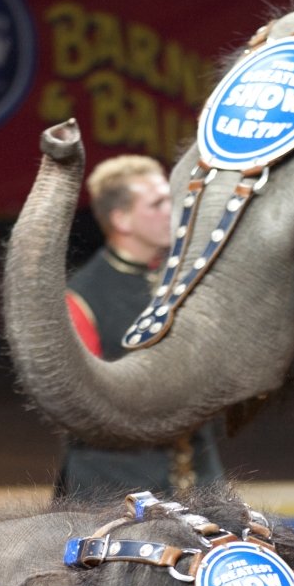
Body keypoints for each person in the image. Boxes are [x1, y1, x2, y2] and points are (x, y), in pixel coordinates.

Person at [57, 154, 223, 499]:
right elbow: (84, 406)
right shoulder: (83, 299)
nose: (172, 210)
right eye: (157, 203)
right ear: (122, 219)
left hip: (198, 474)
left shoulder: (186, 278)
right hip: (114, 488)